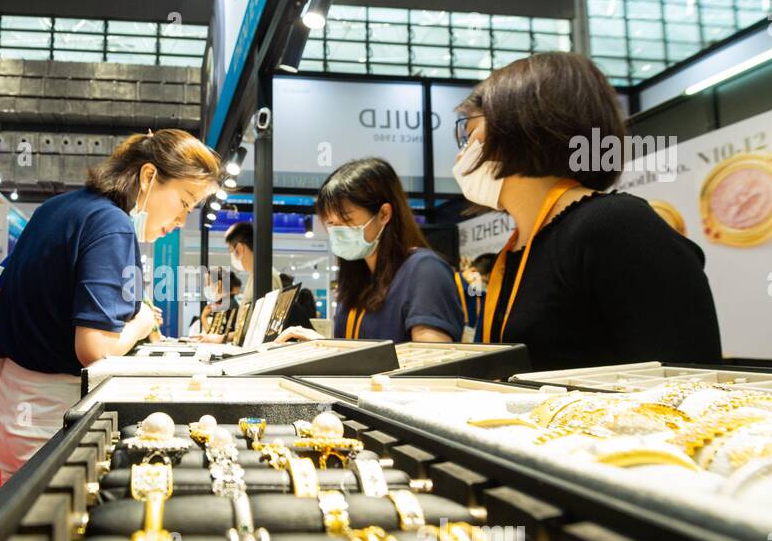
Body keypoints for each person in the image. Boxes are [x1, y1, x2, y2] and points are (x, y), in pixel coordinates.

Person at [452, 51, 720, 369]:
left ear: (523, 123)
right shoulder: (520, 249)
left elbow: (686, 378)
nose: (463, 155)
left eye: (468, 136)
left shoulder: (613, 226)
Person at [0, 128, 221, 482]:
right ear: (148, 177)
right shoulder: (111, 224)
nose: (180, 221)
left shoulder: (60, 207)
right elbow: (94, 350)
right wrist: (142, 323)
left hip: (19, 405)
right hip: (52, 413)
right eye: (184, 203)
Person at [277, 157, 464, 344]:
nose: (338, 231)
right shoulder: (357, 279)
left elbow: (430, 364)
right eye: (331, 223)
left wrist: (334, 350)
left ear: (384, 214)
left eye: (347, 220)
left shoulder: (425, 271)